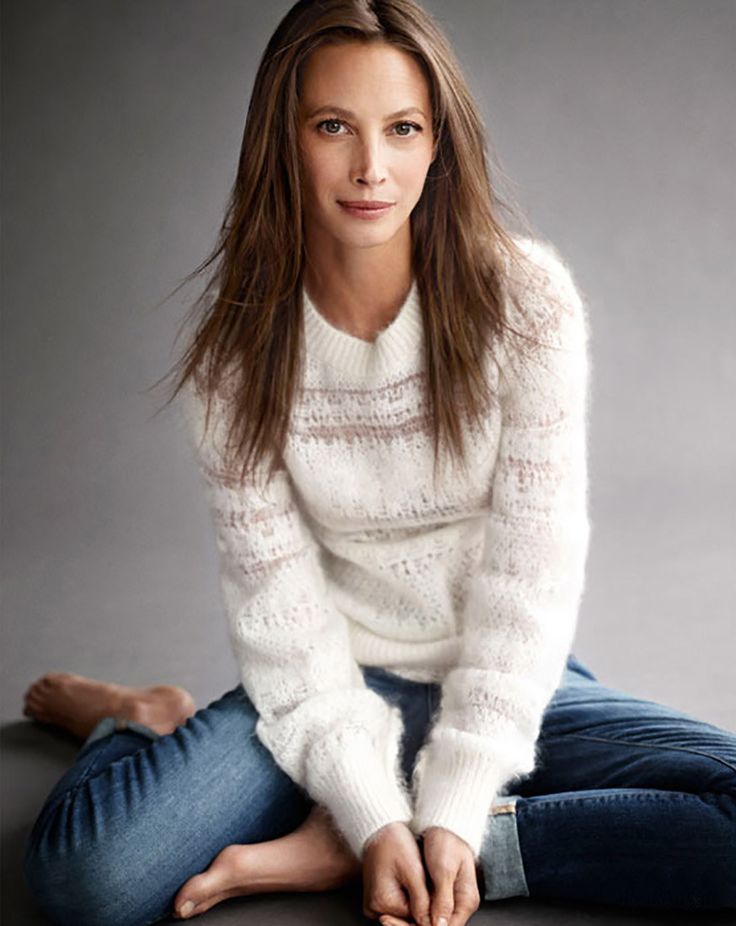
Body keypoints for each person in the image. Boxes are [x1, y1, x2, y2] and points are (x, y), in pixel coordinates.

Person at [21, 1, 736, 924]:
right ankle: (141, 720)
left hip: (499, 672)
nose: (371, 168)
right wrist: (371, 809)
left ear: (439, 145)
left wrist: (449, 818)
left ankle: (456, 848)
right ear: (283, 142)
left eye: (402, 129)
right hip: (325, 687)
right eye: (333, 127)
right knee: (86, 881)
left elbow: (530, 578)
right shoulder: (237, 358)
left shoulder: (527, 306)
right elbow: (284, 619)